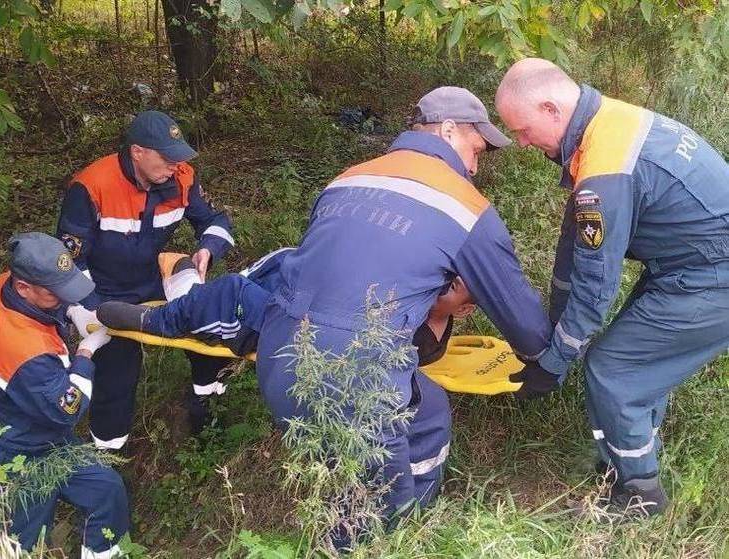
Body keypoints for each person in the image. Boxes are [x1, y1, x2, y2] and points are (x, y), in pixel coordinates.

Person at [252, 85, 552, 532]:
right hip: (357, 375)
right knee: (373, 517)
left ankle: (412, 517)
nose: (475, 165)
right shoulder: (464, 204)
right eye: (476, 150)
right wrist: (548, 361)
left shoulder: (348, 178)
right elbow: (523, 322)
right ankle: (389, 531)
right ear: (448, 130)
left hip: (278, 354)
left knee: (426, 411)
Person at [495, 58, 729, 516]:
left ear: (550, 109)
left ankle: (639, 495)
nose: (521, 143)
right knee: (634, 360)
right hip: (688, 262)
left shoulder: (606, 169)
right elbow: (574, 244)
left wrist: (556, 360)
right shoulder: (608, 124)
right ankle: (623, 460)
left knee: (614, 368)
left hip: (713, 274)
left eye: (522, 131)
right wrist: (554, 329)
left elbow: (595, 285)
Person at [56, 110, 235, 444]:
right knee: (117, 372)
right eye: (167, 159)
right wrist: (89, 307)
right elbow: (68, 260)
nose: (174, 166)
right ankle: (110, 451)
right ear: (137, 152)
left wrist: (208, 247)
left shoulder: (182, 178)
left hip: (154, 277)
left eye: (178, 158)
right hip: (105, 289)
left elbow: (215, 220)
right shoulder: (92, 186)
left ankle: (206, 416)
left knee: (206, 334)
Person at [0, 233, 128, 557]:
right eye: (57, 293)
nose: (64, 297)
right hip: (15, 449)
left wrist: (72, 311)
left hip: (46, 434)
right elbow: (69, 408)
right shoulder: (25, 353)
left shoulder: (6, 284)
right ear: (24, 287)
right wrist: (86, 354)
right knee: (24, 539)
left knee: (106, 489)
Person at [96, 251, 477, 368]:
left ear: (462, 311)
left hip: (294, 335)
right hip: (307, 313)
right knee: (293, 259)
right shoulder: (421, 304)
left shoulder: (421, 341)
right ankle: (191, 292)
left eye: (451, 288)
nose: (439, 286)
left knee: (234, 292)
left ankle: (165, 318)